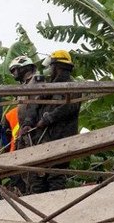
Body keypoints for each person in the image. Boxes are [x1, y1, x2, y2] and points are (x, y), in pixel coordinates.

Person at [21, 50, 81, 193]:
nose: (50, 71)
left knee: (55, 178)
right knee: (37, 179)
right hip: (41, 141)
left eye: (52, 67)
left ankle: (54, 210)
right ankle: (38, 211)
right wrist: (28, 122)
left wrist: (48, 119)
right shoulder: (48, 87)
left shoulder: (73, 88)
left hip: (60, 141)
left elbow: (69, 107)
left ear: (58, 68)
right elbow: (34, 105)